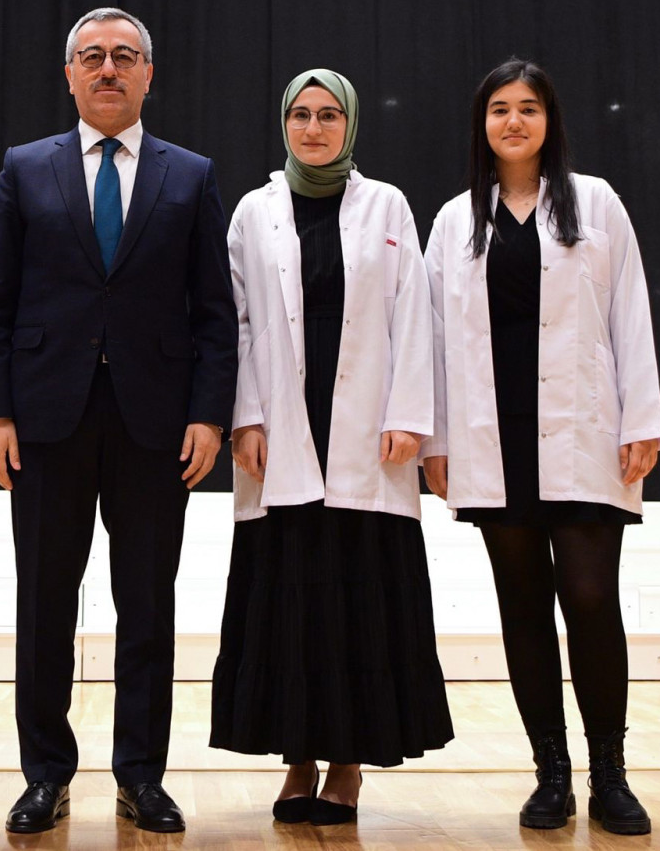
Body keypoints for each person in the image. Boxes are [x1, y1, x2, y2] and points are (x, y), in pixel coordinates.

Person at [0, 7, 236, 835]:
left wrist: (210, 416)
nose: (108, 68)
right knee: (45, 605)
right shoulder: (25, 167)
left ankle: (141, 776)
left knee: (147, 606)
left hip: (157, 426)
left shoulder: (191, 174)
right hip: (44, 421)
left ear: (149, 73)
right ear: (70, 75)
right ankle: (45, 775)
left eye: (125, 56)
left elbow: (215, 312)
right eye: (92, 56)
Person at [421, 58, 660, 836]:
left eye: (528, 107)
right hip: (494, 440)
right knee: (523, 606)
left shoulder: (595, 202)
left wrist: (641, 419)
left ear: (549, 120)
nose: (514, 121)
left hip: (583, 432)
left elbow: (630, 311)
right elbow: (430, 339)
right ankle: (550, 774)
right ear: (482, 124)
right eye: (500, 108)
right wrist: (436, 440)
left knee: (590, 599)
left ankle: (610, 774)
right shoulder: (454, 220)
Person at [210, 68, 454, 825]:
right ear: (284, 124)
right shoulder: (253, 211)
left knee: (358, 600)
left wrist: (411, 415)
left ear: (349, 124)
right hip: (281, 430)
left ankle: (347, 765)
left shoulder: (387, 205)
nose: (313, 129)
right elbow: (233, 320)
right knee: (290, 600)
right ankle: (298, 760)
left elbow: (415, 313)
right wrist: (245, 417)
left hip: (369, 435)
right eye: (300, 115)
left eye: (327, 116)